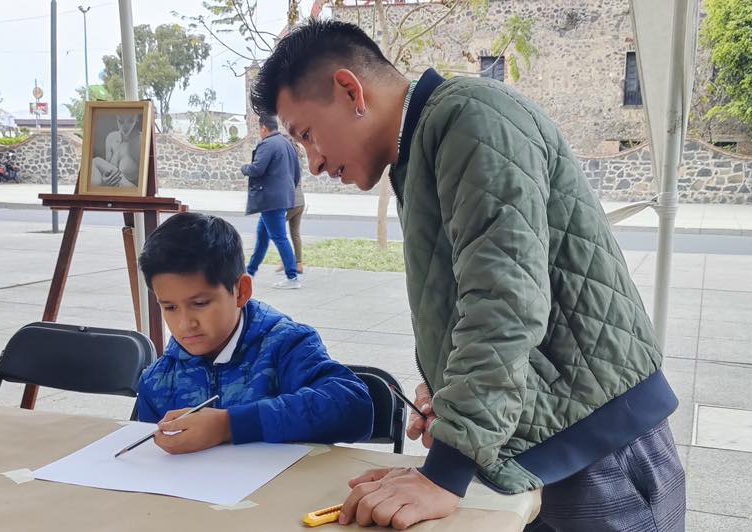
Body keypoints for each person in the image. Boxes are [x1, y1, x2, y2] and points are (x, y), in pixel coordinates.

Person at [250, 20, 685, 531]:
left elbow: (504, 301)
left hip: (600, 453)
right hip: (548, 447)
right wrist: (450, 401)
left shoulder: (471, 117)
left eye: (307, 135)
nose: (315, 162)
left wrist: (446, 470)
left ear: (350, 90)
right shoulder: (425, 145)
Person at [136, 212, 373, 453]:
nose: (185, 324)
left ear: (241, 291)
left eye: (200, 304)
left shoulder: (286, 346)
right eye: (170, 307)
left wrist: (229, 425)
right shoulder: (159, 379)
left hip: (281, 488)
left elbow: (355, 408)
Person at [242, 115, 302, 289]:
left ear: (263, 128)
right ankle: (250, 271)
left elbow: (257, 168)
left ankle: (292, 277)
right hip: (280, 198)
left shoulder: (267, 144)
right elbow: (296, 173)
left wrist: (244, 168)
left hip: (270, 199)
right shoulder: (287, 144)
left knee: (279, 237)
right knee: (262, 237)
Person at [279, 135, 306, 275]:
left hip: (291, 202)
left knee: (276, 230)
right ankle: (299, 264)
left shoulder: (288, 160)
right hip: (300, 201)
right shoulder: (298, 158)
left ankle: (287, 261)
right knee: (295, 233)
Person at [91, 113, 141, 188]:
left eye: (131, 121)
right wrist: (105, 181)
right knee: (93, 164)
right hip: (112, 190)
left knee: (96, 161)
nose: (125, 127)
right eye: (120, 121)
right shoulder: (111, 138)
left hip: (132, 190)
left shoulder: (142, 140)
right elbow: (107, 171)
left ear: (137, 119)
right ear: (116, 118)